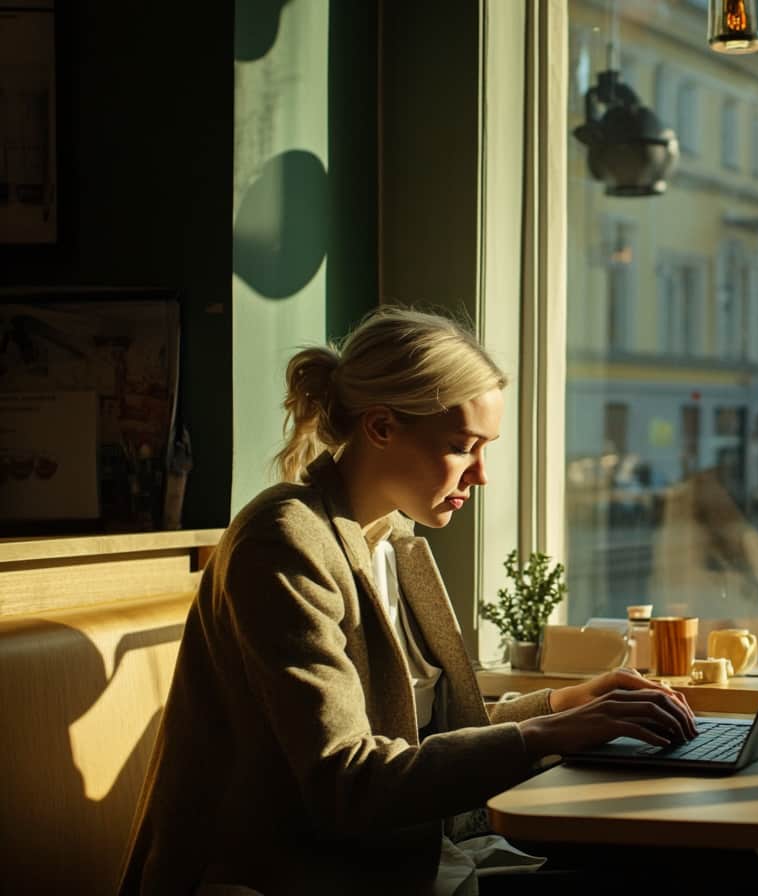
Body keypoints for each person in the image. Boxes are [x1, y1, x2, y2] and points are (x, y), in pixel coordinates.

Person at [117, 307, 712, 895]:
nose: (480, 475)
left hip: (424, 856)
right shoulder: (283, 544)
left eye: (486, 448)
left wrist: (564, 705)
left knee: (700, 863)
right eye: (461, 446)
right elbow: (346, 783)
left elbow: (430, 738)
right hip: (305, 876)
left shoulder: (396, 540)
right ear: (380, 427)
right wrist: (552, 734)